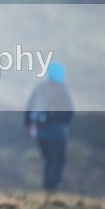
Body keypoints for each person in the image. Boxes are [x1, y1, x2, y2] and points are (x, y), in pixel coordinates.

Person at [24, 61, 74, 194]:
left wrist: (28, 124)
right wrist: (64, 125)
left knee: (49, 159)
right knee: (57, 159)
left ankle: (47, 187)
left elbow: (29, 106)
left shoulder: (40, 88)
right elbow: (69, 111)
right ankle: (51, 188)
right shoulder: (62, 90)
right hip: (57, 132)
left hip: (40, 131)